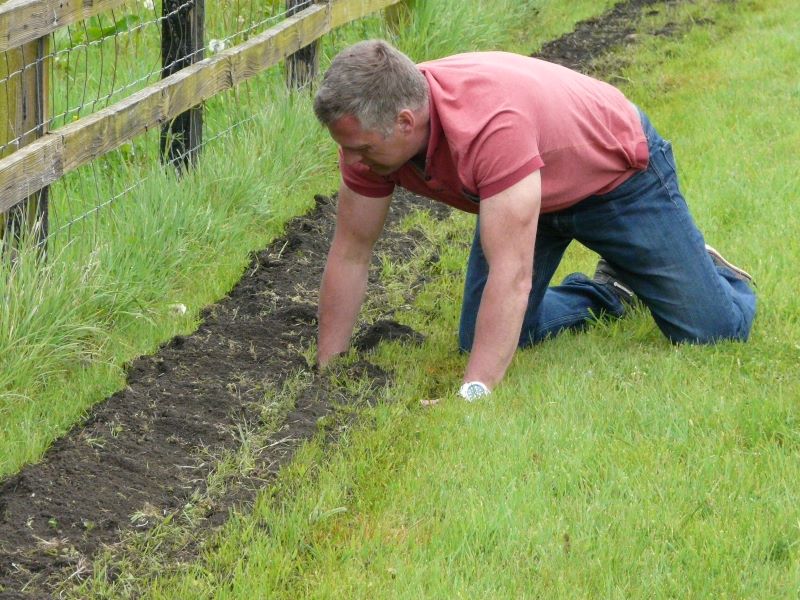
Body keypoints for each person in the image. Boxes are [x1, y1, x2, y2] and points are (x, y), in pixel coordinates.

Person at [312, 39, 756, 401]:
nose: (351, 159)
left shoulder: (488, 126)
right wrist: (330, 366)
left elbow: (512, 273)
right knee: (481, 340)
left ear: (405, 122)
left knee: (712, 331)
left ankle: (705, 271)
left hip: (615, 177)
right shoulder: (371, 135)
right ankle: (616, 287)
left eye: (363, 148)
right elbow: (352, 251)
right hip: (524, 194)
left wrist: (474, 394)